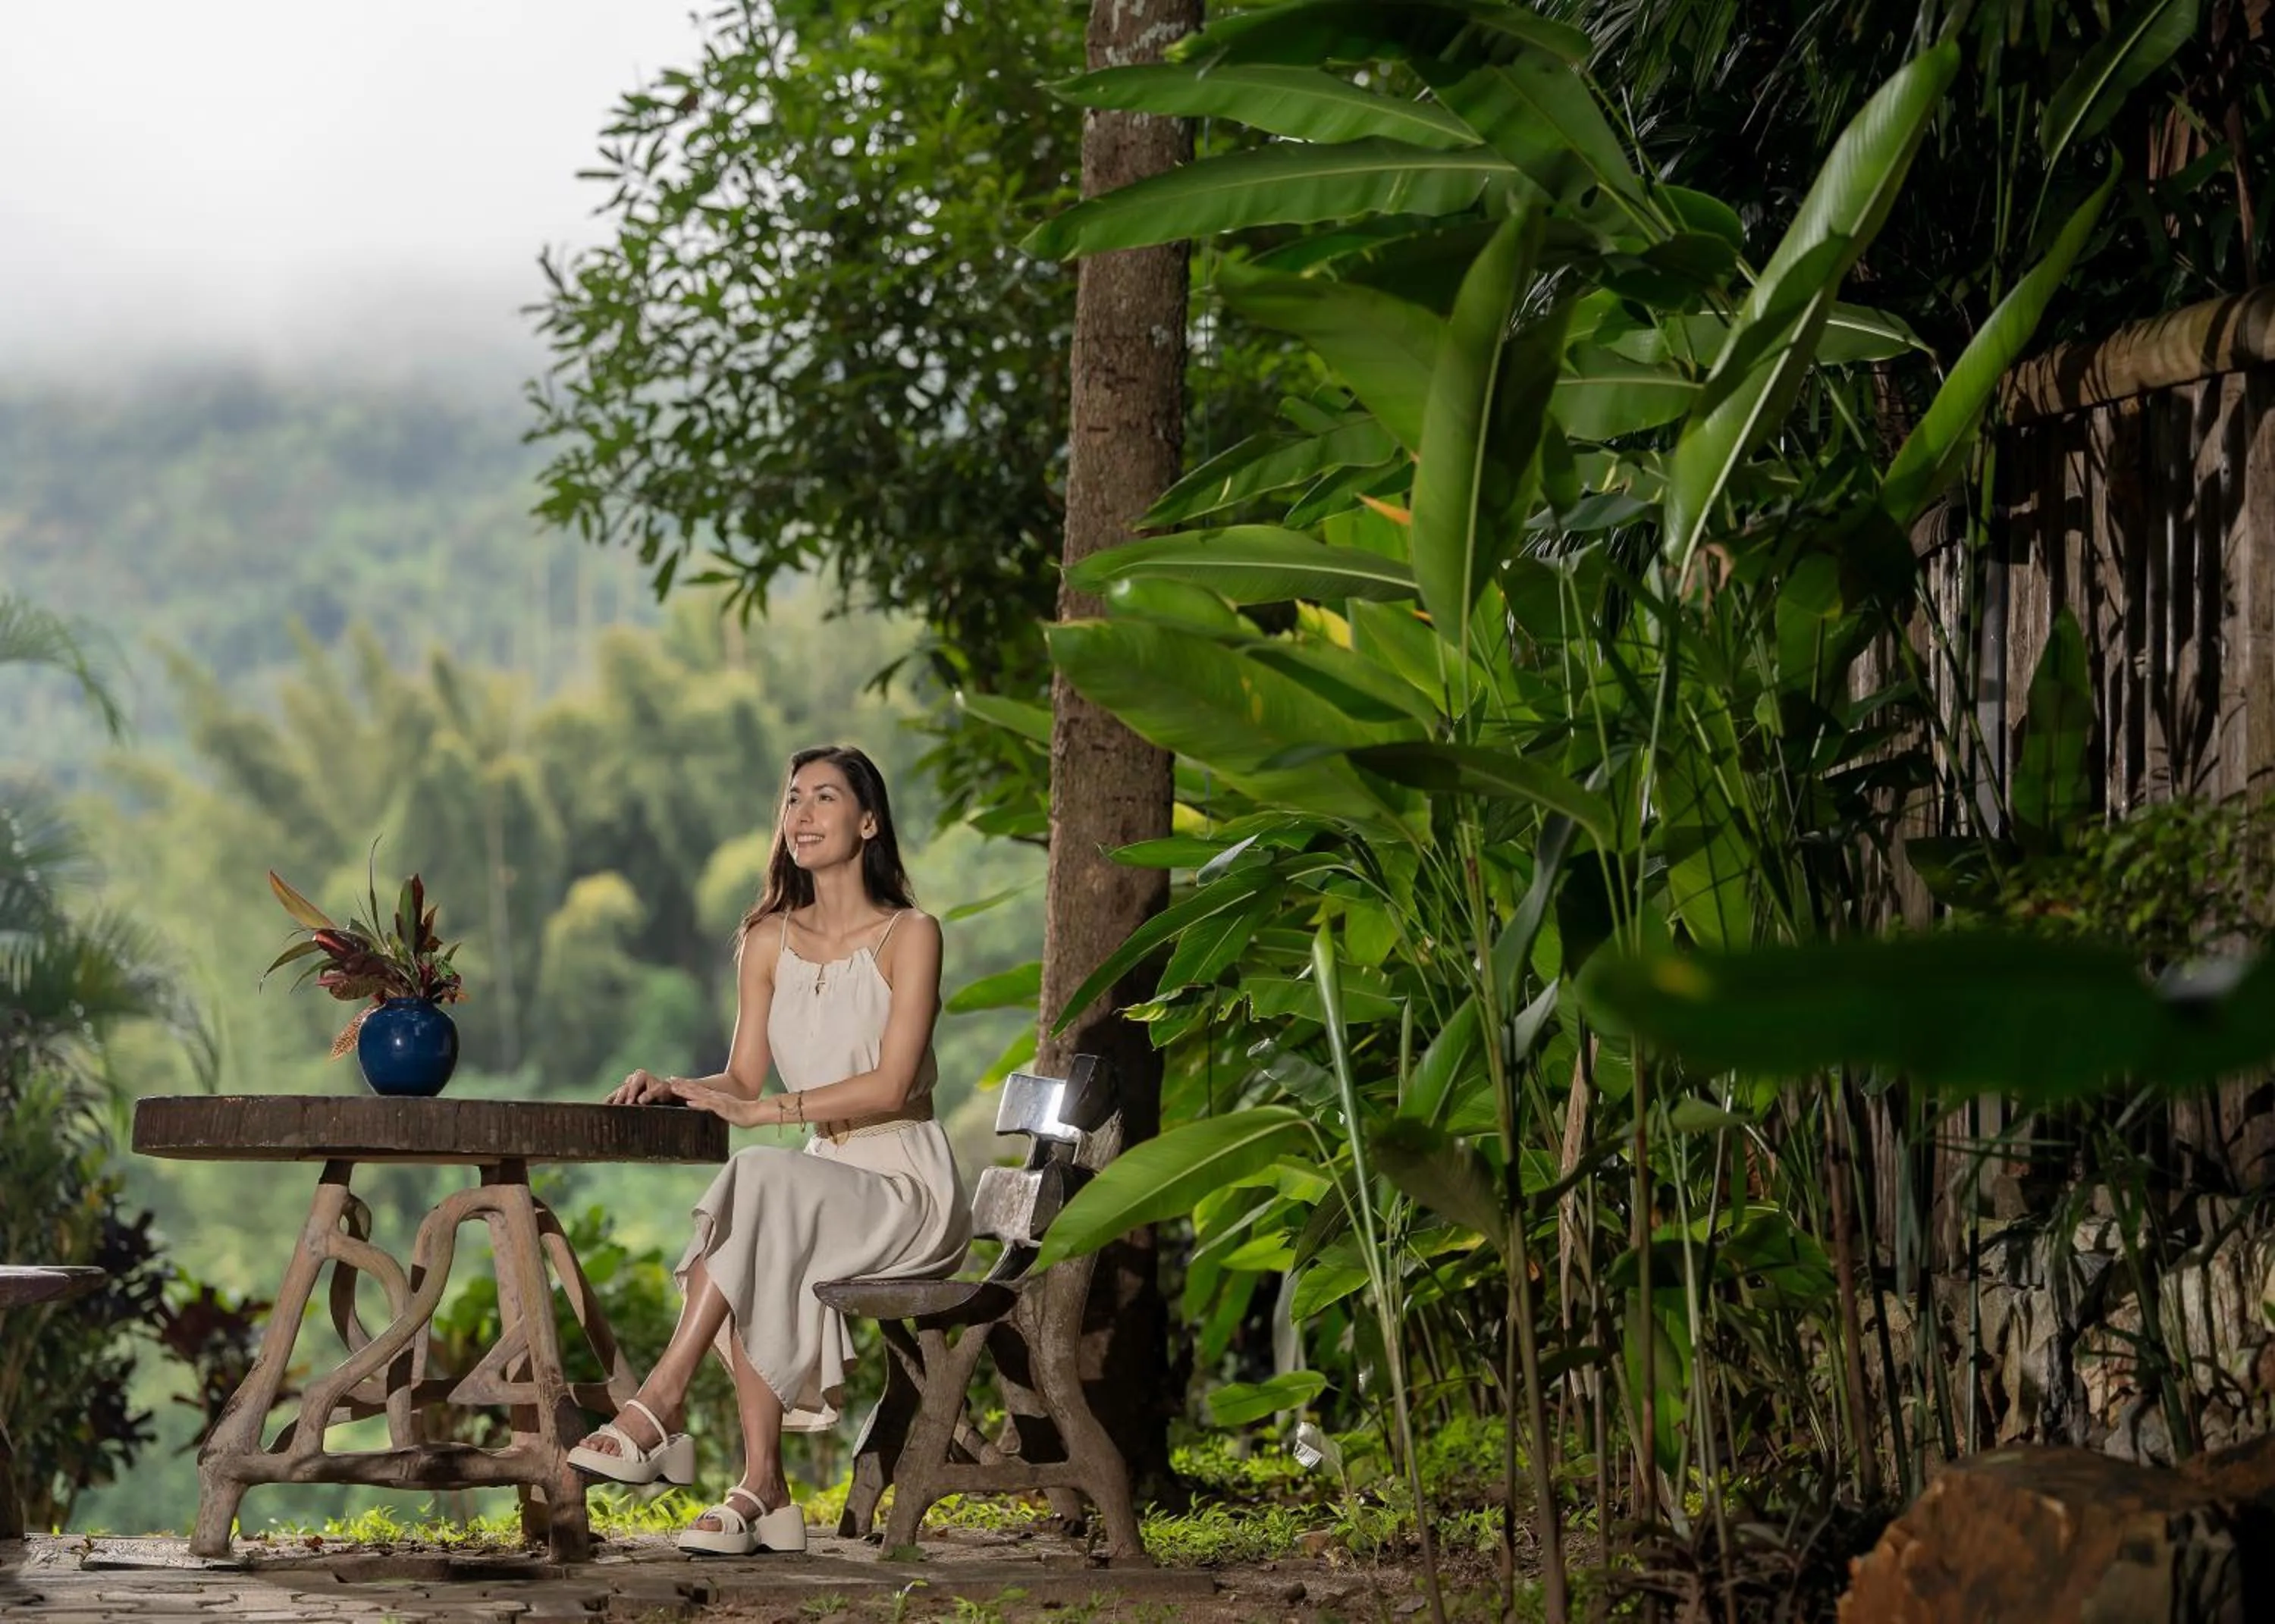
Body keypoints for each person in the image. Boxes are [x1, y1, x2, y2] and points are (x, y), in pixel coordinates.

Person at [567, 744, 971, 1556]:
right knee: (762, 1208)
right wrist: (676, 1086)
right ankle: (764, 1488)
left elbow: (893, 1083)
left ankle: (662, 1402)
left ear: (868, 822)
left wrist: (762, 1115)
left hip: (905, 1184)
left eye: (825, 798)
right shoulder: (765, 940)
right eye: (792, 799)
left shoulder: (911, 935)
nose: (802, 815)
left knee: (759, 1183)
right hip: (820, 1176)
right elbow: (744, 1074)